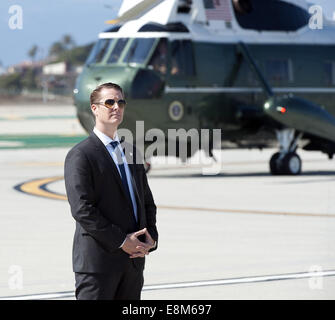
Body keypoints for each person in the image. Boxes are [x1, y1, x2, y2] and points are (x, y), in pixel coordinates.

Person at [64, 82, 158, 300]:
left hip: (133, 265)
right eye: (109, 102)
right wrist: (122, 241)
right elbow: (83, 209)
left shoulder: (131, 151)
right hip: (98, 265)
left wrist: (151, 237)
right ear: (95, 108)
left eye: (120, 102)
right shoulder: (81, 155)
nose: (116, 107)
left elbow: (146, 202)